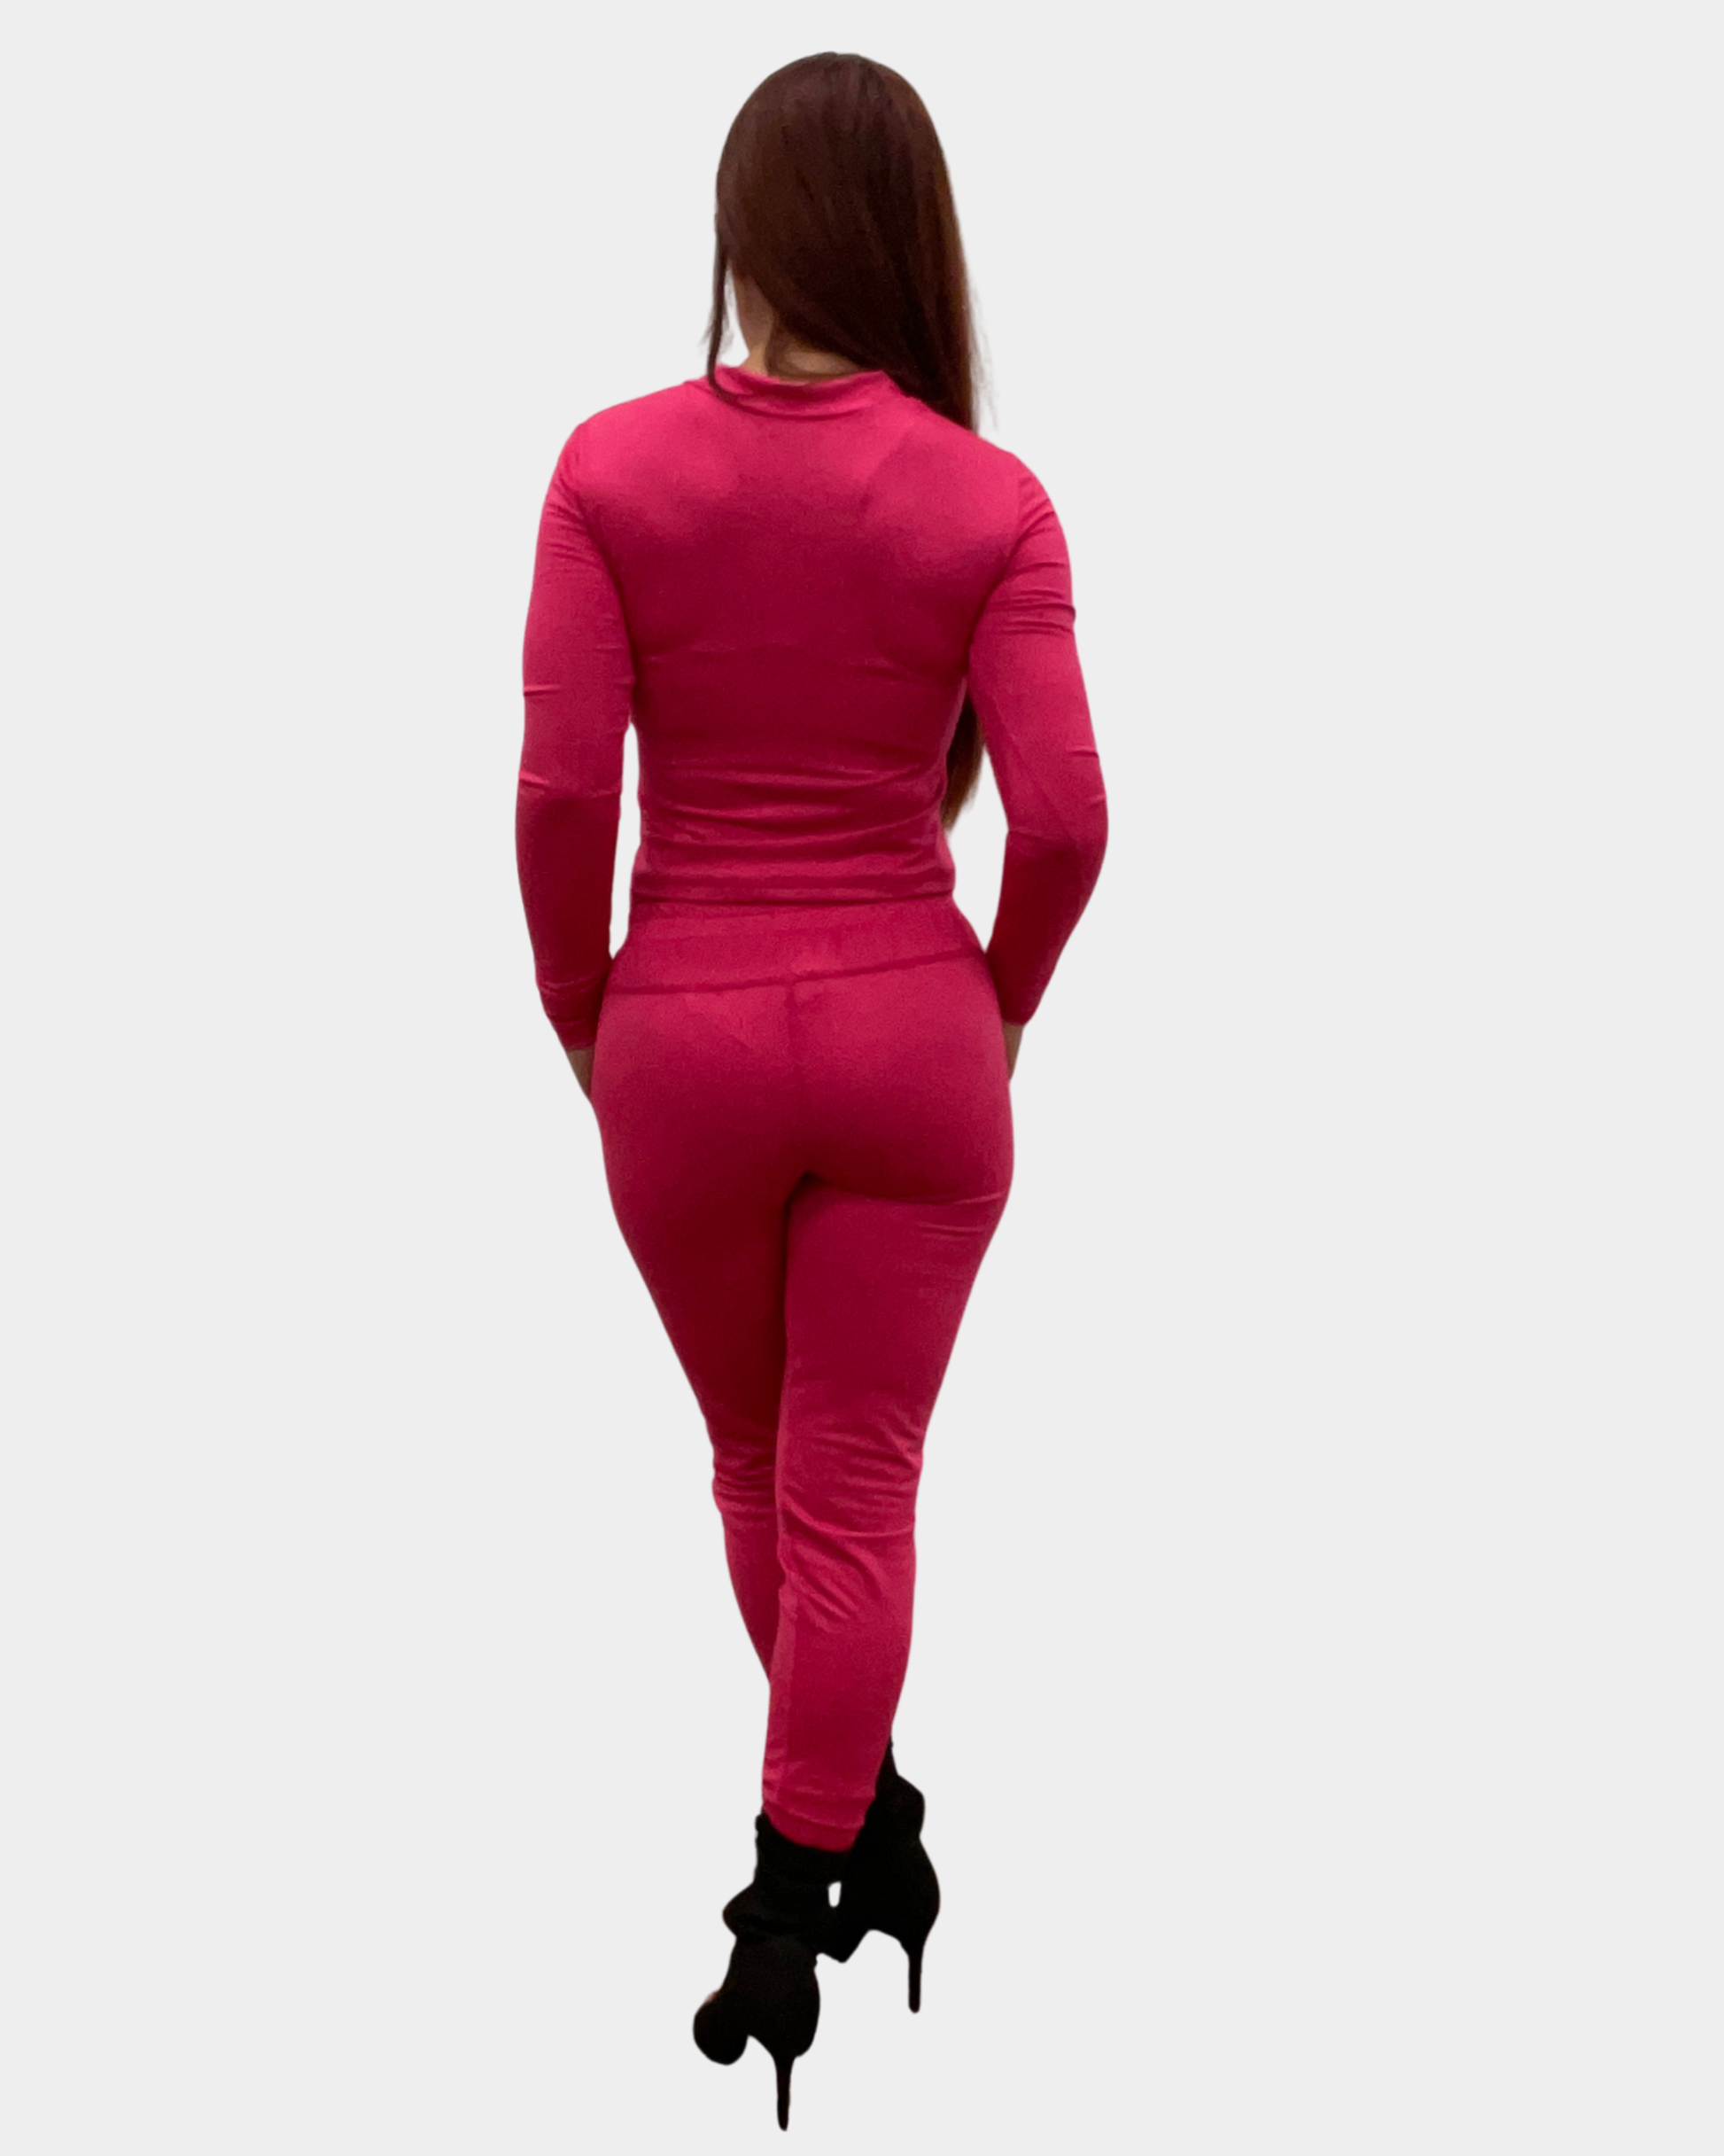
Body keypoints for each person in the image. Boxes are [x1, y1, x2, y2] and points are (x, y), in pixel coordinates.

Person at [516, 51, 1107, 2129]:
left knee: (761, 1466)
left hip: (678, 1033)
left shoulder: (607, 473)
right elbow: (1066, 820)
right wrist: (1000, 1007)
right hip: (911, 1039)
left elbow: (562, 791)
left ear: (742, 237)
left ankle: (809, 1878)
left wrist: (577, 1008)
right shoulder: (990, 503)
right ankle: (842, 1856)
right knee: (856, 1485)